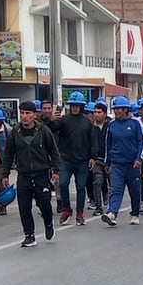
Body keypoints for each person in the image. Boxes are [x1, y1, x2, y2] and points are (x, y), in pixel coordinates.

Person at [5, 99, 61, 247]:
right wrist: (4, 173)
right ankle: (29, 235)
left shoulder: (43, 131)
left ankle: (49, 223)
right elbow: (8, 154)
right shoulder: (15, 132)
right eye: (22, 113)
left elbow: (54, 152)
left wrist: (56, 170)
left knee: (44, 205)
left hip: (41, 174)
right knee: (24, 207)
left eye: (28, 113)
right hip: (23, 175)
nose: (24, 116)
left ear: (34, 115)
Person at [52, 91, 99, 226]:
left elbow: (92, 141)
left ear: (82, 107)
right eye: (73, 105)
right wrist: (51, 119)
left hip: (83, 161)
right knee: (63, 184)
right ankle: (67, 209)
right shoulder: (64, 120)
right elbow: (52, 129)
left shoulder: (87, 122)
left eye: (77, 105)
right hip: (66, 159)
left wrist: (93, 157)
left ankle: (79, 213)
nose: (75, 108)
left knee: (81, 187)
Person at [102, 93, 143, 226]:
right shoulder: (112, 124)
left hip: (133, 164)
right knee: (116, 189)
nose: (116, 111)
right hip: (117, 164)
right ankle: (112, 213)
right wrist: (108, 161)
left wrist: (139, 158)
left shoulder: (136, 122)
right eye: (115, 109)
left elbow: (142, 142)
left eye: (119, 109)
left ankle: (135, 213)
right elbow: (108, 144)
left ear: (126, 109)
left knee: (134, 190)